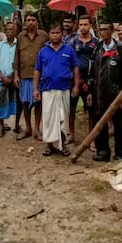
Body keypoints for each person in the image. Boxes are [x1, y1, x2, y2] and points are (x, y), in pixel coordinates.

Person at [87, 19, 122, 162]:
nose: (103, 32)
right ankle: (103, 151)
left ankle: (121, 153)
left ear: (112, 31)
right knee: (100, 123)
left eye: (106, 29)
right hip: (99, 93)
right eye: (100, 30)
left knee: (119, 125)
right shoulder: (97, 49)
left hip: (117, 94)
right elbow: (91, 73)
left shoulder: (120, 48)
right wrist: (90, 91)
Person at [33, 24, 79, 157]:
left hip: (64, 89)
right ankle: (49, 145)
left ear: (62, 34)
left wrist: (76, 86)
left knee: (63, 119)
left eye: (57, 32)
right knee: (48, 118)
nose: (55, 35)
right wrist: (35, 89)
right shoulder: (43, 51)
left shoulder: (69, 50)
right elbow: (37, 71)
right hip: (47, 89)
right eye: (52, 33)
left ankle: (63, 145)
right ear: (49, 34)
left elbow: (75, 68)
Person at [13, 12, 47, 140]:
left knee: (38, 102)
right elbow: (16, 57)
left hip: (40, 76)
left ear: (37, 22)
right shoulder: (20, 36)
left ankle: (37, 129)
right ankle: (28, 128)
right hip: (24, 75)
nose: (31, 22)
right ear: (25, 22)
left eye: (33, 20)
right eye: (28, 20)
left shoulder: (43, 36)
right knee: (25, 103)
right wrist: (16, 75)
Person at [67, 14, 97, 142]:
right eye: (80, 25)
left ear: (90, 25)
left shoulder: (96, 42)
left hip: (89, 81)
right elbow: (68, 60)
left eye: (85, 24)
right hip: (74, 80)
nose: (83, 27)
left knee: (91, 109)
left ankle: (91, 138)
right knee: (71, 108)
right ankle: (71, 134)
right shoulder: (72, 41)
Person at [0, 21, 17, 135]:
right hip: (1, 79)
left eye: (11, 29)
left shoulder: (19, 45)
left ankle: (17, 125)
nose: (8, 32)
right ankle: (1, 126)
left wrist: (12, 77)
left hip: (14, 78)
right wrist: (3, 78)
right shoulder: (0, 46)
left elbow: (19, 63)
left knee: (17, 102)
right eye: (6, 30)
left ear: (15, 31)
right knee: (0, 102)